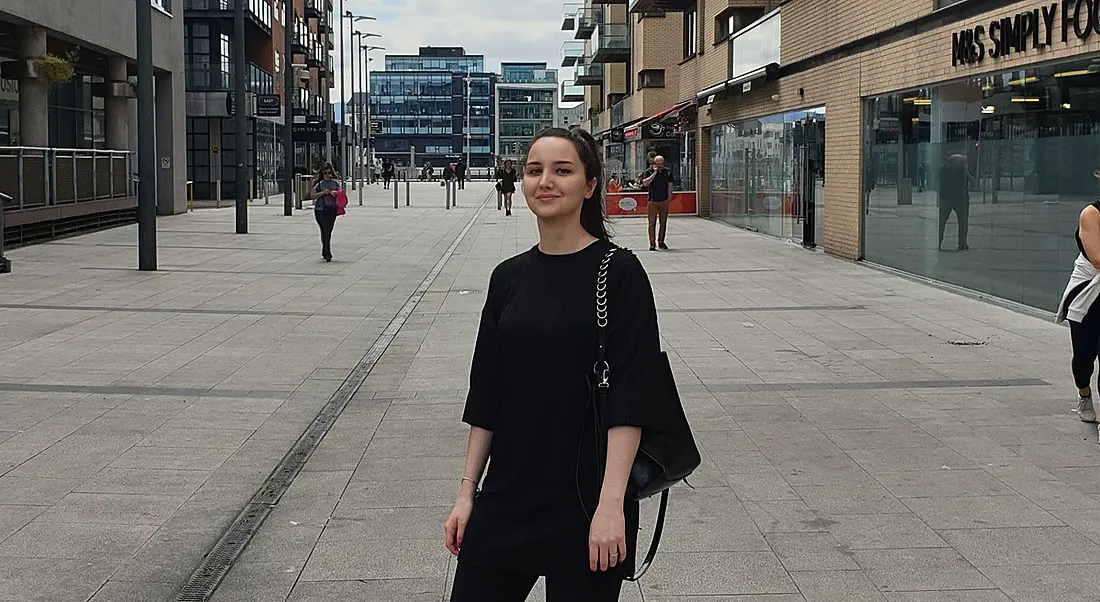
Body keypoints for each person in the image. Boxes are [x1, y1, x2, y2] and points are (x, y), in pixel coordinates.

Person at [444, 126, 663, 601]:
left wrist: (612, 508)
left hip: (586, 503)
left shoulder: (620, 272)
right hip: (507, 497)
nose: (545, 181)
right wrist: (467, 492)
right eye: (534, 170)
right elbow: (487, 395)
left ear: (590, 185)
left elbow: (629, 398)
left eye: (562, 170)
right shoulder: (508, 279)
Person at [1058, 170, 1100, 428]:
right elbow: (1097, 258)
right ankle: (1084, 394)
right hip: (1089, 294)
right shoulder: (1091, 214)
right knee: (1084, 357)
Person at [309, 162, 342, 262]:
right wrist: (323, 193)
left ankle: (325, 250)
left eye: (329, 172)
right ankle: (327, 252)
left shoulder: (335, 183)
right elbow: (311, 196)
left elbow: (341, 193)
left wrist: (334, 193)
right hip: (320, 209)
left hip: (332, 209)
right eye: (325, 173)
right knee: (325, 229)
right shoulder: (319, 183)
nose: (327, 175)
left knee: (328, 231)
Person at [640, 155, 673, 251]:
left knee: (663, 222)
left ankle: (661, 241)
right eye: (658, 164)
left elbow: (670, 185)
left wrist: (669, 197)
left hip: (664, 200)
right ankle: (652, 242)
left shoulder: (667, 172)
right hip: (652, 200)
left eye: (661, 164)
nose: (660, 166)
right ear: (654, 164)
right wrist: (654, 173)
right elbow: (645, 183)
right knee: (652, 222)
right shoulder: (648, 171)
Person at [938, 154, 971, 251]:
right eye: (963, 163)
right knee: (947, 222)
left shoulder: (946, 170)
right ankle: (960, 243)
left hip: (955, 199)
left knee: (962, 222)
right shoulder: (949, 171)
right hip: (952, 199)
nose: (965, 165)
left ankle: (962, 243)